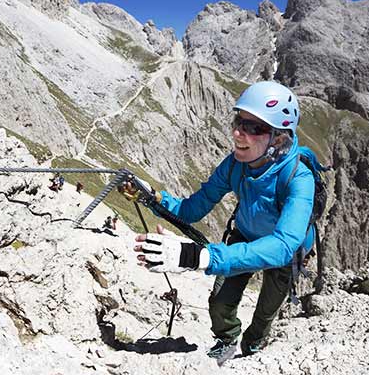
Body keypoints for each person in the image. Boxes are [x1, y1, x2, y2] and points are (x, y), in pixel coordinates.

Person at [130, 81, 317, 363]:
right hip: (245, 235)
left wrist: (199, 256)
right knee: (220, 302)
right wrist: (153, 198)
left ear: (278, 139)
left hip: (286, 255)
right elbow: (192, 209)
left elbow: (282, 246)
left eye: (253, 127)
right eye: (238, 121)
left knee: (265, 312)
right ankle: (228, 339)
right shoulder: (234, 165)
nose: (237, 132)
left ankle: (252, 351)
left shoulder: (298, 179)